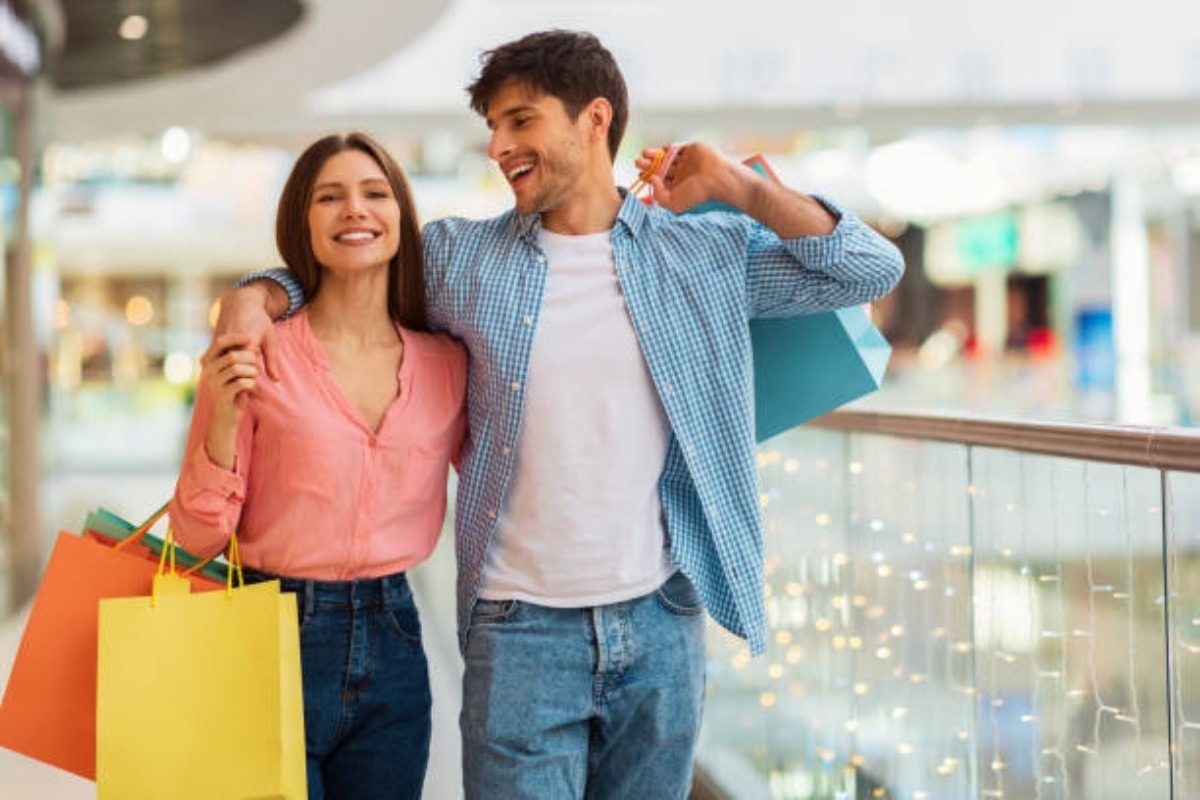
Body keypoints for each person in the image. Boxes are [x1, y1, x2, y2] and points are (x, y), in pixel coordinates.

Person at [217, 29, 904, 799]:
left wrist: (740, 190)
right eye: (493, 128)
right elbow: (349, 263)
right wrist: (257, 296)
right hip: (519, 632)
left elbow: (867, 268)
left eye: (520, 121)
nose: (498, 147)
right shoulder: (460, 261)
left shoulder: (700, 255)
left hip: (662, 621)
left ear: (595, 119)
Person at [170, 131, 466, 800]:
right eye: (329, 197)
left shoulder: (447, 363)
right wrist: (222, 407)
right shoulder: (256, 347)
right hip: (266, 628)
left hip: (395, 636)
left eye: (374, 193)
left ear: (400, 216)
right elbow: (194, 537)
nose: (354, 210)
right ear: (303, 224)